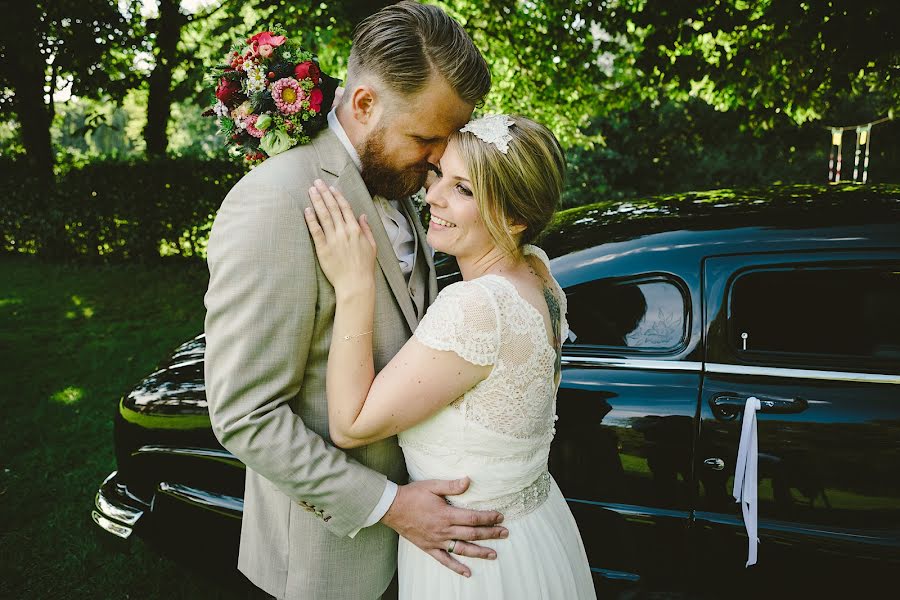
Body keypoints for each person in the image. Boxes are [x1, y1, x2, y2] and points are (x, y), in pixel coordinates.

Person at [204, 4, 507, 599]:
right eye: (426, 138)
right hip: (324, 567)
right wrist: (391, 506)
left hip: (414, 558)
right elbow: (244, 415)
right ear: (365, 104)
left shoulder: (401, 180)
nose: (441, 158)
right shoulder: (274, 204)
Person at [303, 114, 597, 599]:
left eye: (464, 189)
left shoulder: (477, 305)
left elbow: (350, 424)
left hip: (473, 562)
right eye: (439, 173)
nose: (432, 196)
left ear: (514, 218)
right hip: (535, 533)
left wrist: (355, 285)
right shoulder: (538, 272)